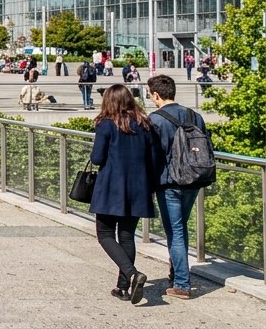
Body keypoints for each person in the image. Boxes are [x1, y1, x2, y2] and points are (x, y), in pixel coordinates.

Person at [89, 83, 158, 305]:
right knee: (127, 236)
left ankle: (132, 274)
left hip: (111, 186)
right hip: (139, 186)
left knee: (105, 235)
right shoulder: (145, 124)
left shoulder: (106, 125)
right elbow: (153, 159)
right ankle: (122, 287)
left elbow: (98, 158)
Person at [147, 75, 214, 299]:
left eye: (150, 94)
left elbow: (153, 156)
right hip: (194, 180)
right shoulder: (194, 116)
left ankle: (182, 284)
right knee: (181, 228)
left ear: (156, 95)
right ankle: (177, 272)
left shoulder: (155, 119)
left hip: (169, 183)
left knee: (175, 232)